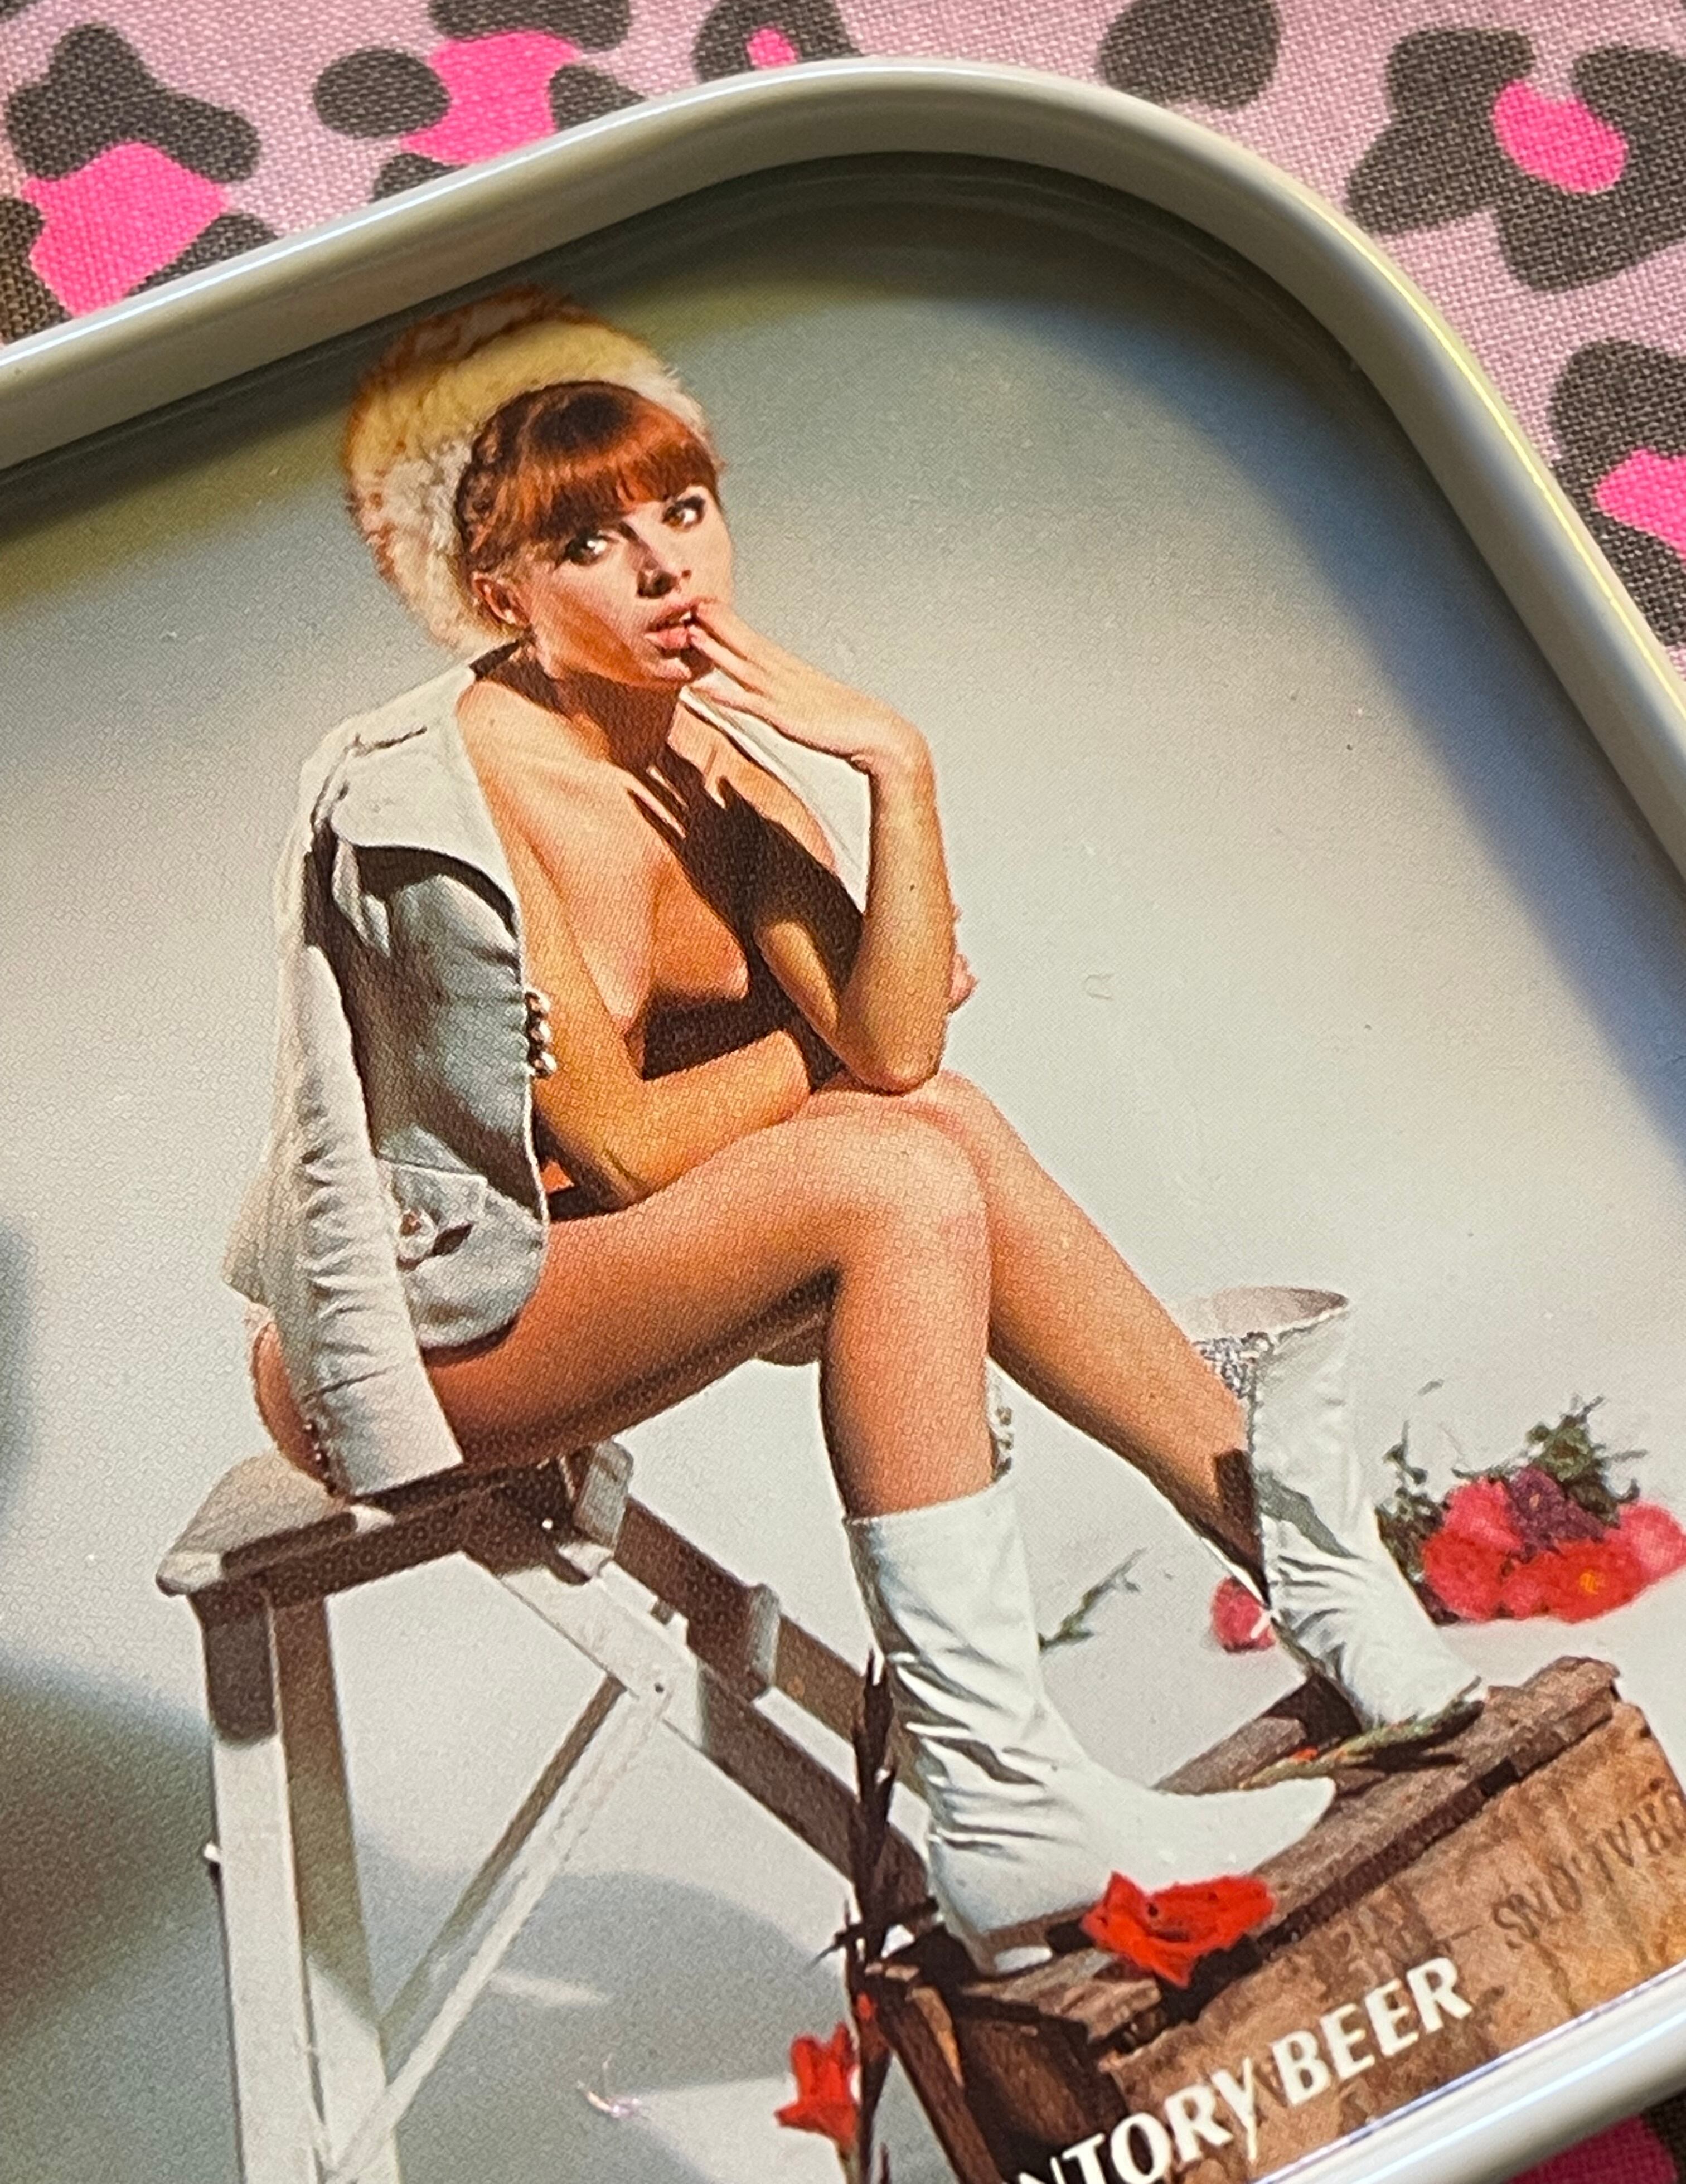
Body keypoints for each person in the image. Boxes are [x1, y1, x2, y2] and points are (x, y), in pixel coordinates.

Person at [232, 288, 1482, 1977]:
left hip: (594, 1278)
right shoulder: (440, 799)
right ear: (499, 591)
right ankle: (1004, 1798)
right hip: (427, 1336)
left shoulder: (714, 771)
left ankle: (1312, 1575)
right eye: (592, 543)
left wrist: (897, 767)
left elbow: (896, 1049)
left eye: (685, 510)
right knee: (893, 1169)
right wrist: (830, 1051)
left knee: (939, 1121)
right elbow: (636, 1150)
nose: (665, 567)